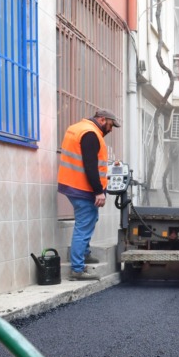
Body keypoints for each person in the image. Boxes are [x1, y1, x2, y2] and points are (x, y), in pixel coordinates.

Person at [57, 109, 119, 281]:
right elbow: (90, 165)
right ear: (102, 119)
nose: (111, 129)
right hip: (82, 187)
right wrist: (99, 191)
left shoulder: (77, 128)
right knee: (84, 226)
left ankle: (84, 253)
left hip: (73, 184)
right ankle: (77, 268)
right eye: (110, 125)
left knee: (89, 220)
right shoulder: (91, 134)